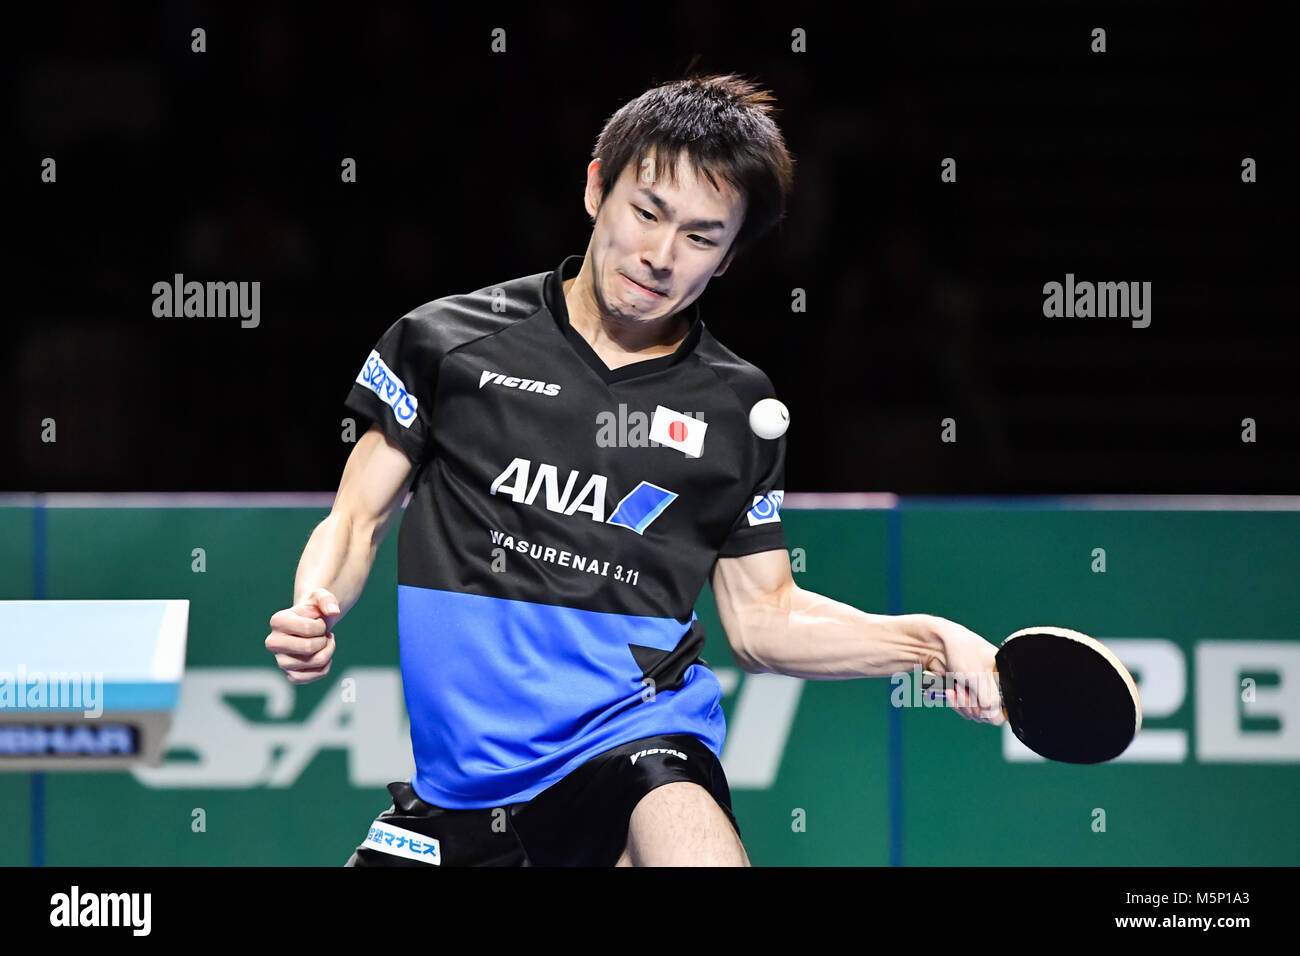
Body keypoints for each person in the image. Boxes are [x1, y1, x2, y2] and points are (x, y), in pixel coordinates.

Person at [264, 73, 1005, 868]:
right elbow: (358, 518)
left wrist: (930, 641)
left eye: (700, 236)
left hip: (636, 743)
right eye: (646, 212)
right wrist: (319, 603)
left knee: (679, 818)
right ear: (596, 188)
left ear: (727, 259)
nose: (658, 256)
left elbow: (763, 621)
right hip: (458, 799)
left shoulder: (735, 407)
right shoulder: (446, 344)